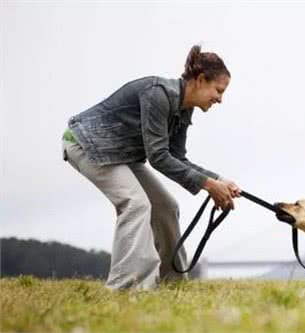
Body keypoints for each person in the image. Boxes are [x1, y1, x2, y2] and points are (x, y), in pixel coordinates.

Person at [61, 45, 241, 290]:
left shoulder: (184, 110)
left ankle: (173, 284)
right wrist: (210, 186)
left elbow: (177, 157)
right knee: (136, 204)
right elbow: (158, 157)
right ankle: (126, 287)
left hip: (120, 154)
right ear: (200, 80)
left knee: (166, 207)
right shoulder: (157, 94)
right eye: (219, 90)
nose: (220, 99)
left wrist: (219, 180)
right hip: (85, 144)